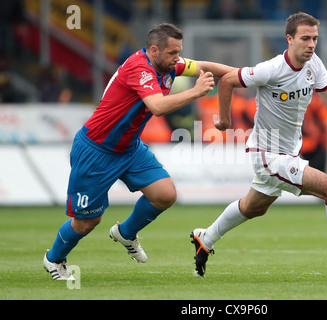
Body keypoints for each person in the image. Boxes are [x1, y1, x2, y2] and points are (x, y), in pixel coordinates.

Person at [43, 23, 235, 280]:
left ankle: (126, 232)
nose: (178, 58)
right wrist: (195, 92)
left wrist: (245, 76)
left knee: (165, 194)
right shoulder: (139, 68)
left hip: (129, 147)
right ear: (154, 50)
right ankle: (54, 259)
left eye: (179, 52)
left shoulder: (168, 64)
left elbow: (202, 66)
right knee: (87, 222)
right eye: (172, 53)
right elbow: (156, 106)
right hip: (97, 150)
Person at [190, 12, 327, 277]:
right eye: (305, 38)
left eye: (314, 38)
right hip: (267, 155)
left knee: (253, 208)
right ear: (289, 39)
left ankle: (205, 239)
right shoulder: (272, 69)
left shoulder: (315, 65)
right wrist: (224, 120)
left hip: (288, 153)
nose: (311, 44)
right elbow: (229, 80)